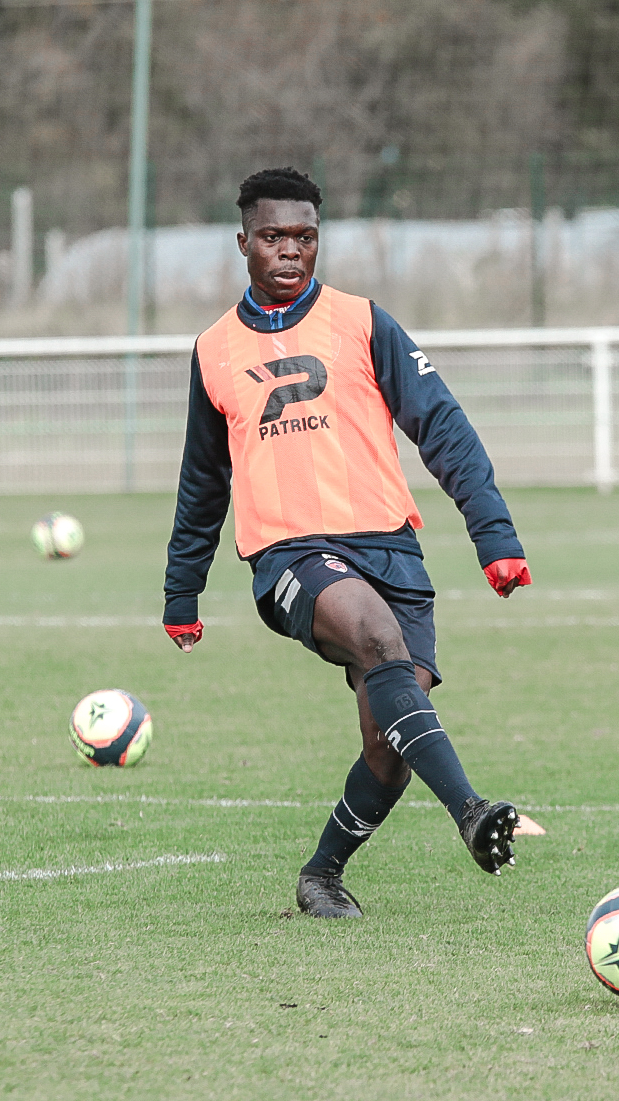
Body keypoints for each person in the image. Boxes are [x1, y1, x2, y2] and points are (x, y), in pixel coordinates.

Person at [163, 166, 533, 919]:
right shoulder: (213, 351)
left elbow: (444, 428)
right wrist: (182, 590)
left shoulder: (365, 322)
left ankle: (321, 874)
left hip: (392, 549)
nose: (290, 251)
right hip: (291, 558)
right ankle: (468, 810)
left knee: (389, 742)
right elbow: (204, 482)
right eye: (273, 237)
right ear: (243, 242)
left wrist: (493, 535)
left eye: (304, 236)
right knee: (373, 637)